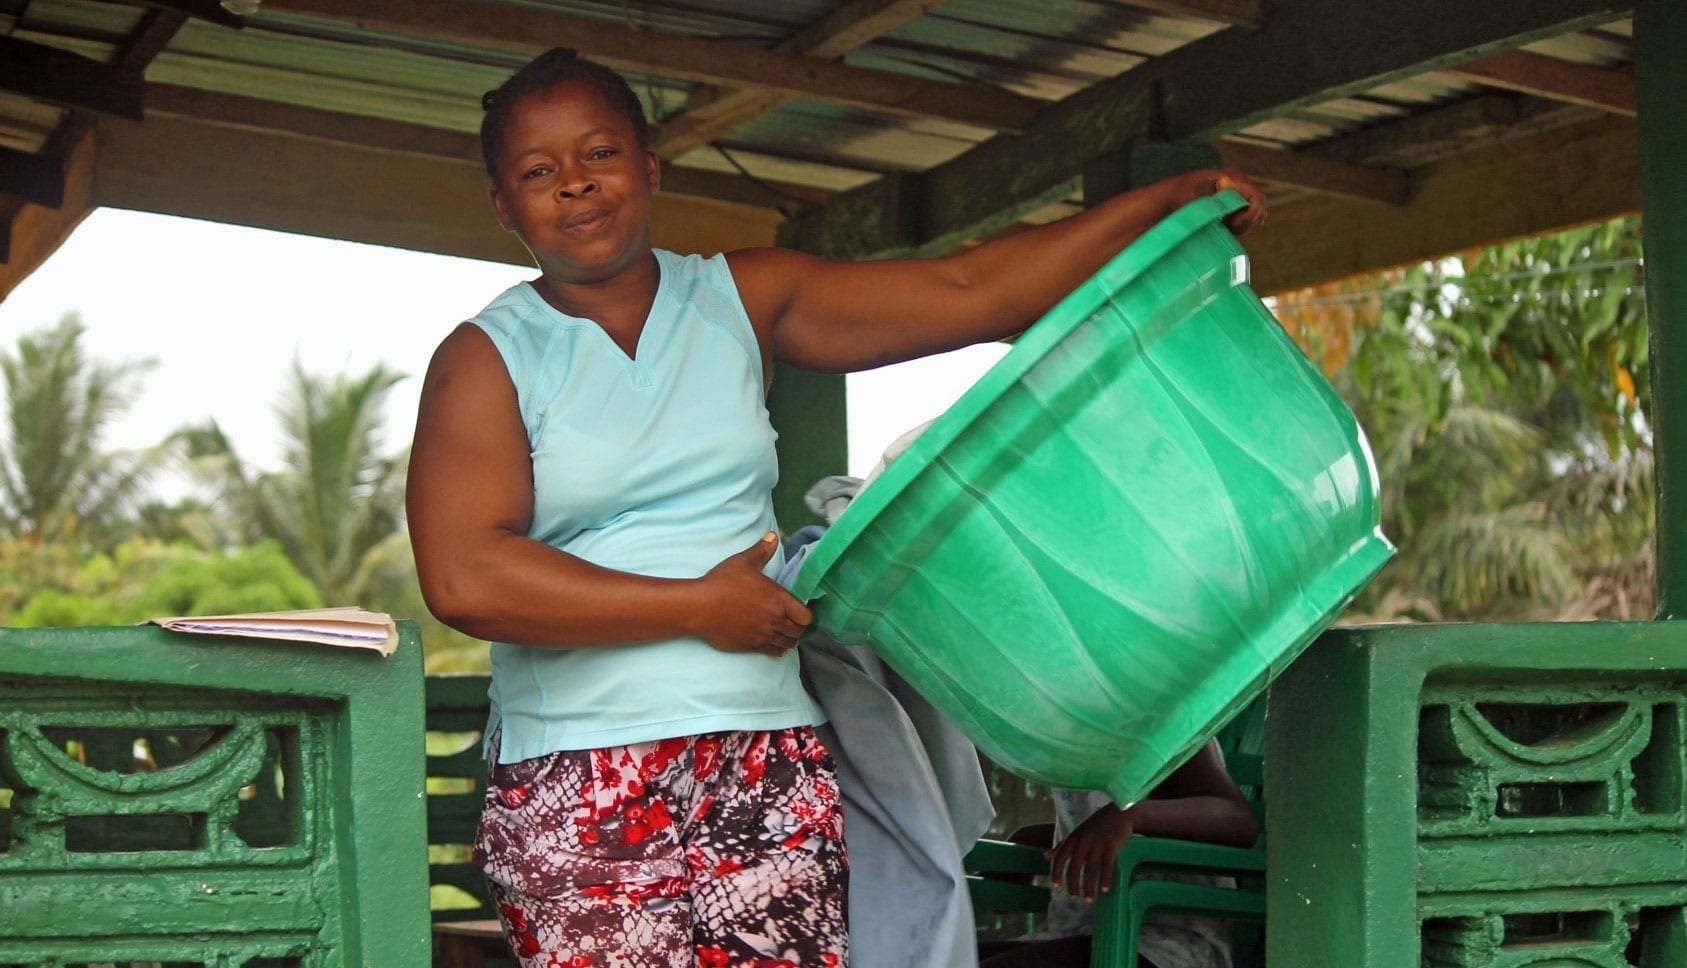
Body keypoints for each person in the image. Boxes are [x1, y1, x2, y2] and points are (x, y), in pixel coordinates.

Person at [405, 45, 1266, 968]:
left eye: (600, 155)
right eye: (540, 173)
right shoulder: (489, 355)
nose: (576, 186)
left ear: (649, 166)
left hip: (766, 757)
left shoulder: (742, 297)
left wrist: (1156, 208)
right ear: (504, 205)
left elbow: (969, 288)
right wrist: (696, 606)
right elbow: (465, 576)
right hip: (581, 772)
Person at [978, 740, 1259, 968]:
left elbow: (1238, 821)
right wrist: (1032, 839)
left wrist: (1132, 816)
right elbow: (1099, 826)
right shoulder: (1073, 733)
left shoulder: (1171, 717)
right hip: (1078, 935)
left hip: (1166, 948)